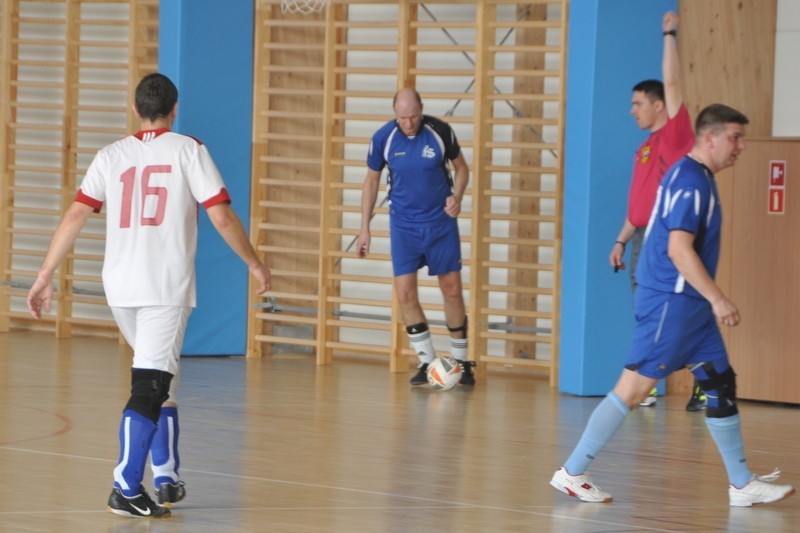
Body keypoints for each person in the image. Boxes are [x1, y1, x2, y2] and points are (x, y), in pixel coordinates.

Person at [26, 73, 271, 519]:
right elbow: (220, 216)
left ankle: (166, 474)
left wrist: (44, 275)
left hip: (120, 286)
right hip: (163, 287)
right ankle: (124, 485)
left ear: (136, 109)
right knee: (151, 383)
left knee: (162, 378)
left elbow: (75, 215)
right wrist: (254, 263)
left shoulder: (110, 155)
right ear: (174, 109)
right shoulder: (188, 149)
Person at [550, 104, 795, 507]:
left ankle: (741, 483)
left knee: (718, 382)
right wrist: (718, 298)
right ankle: (572, 471)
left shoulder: (693, 174)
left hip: (688, 306)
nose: (742, 147)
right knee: (632, 389)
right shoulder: (692, 183)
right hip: (672, 303)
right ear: (710, 138)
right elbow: (678, 249)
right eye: (735, 138)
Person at [609, 12, 706, 411]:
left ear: (659, 105)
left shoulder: (675, 133)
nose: (632, 110)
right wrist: (620, 240)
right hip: (643, 239)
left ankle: (704, 381)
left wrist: (669, 34)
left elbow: (671, 81)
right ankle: (647, 381)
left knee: (674, 310)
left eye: (638, 104)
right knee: (649, 311)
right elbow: (638, 206)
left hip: (668, 236)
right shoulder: (645, 147)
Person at [355, 87, 475, 386]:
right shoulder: (384, 137)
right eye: (402, 117)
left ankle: (461, 362)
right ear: (395, 113)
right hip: (404, 226)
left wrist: (457, 196)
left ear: (422, 110)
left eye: (413, 116)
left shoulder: (440, 132)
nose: (408, 123)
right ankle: (426, 362)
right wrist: (364, 228)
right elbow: (371, 182)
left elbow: (462, 169)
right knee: (405, 293)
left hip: (440, 223)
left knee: (452, 291)